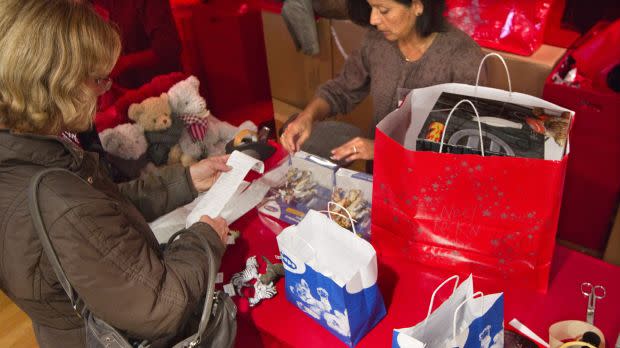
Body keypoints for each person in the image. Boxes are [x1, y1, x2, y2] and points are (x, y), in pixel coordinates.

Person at [0, 1, 230, 347]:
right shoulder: (59, 197)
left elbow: (101, 212)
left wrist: (184, 181)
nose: (105, 88)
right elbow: (161, 305)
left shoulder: (29, 152)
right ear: (59, 83)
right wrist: (204, 237)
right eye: (97, 78)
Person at [280, 0, 486, 165]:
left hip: (429, 183)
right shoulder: (377, 42)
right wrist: (308, 116)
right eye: (371, 7)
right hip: (378, 172)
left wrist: (382, 150)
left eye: (384, 10)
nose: (374, 19)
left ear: (417, 5)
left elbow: (465, 143)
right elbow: (341, 90)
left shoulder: (463, 58)